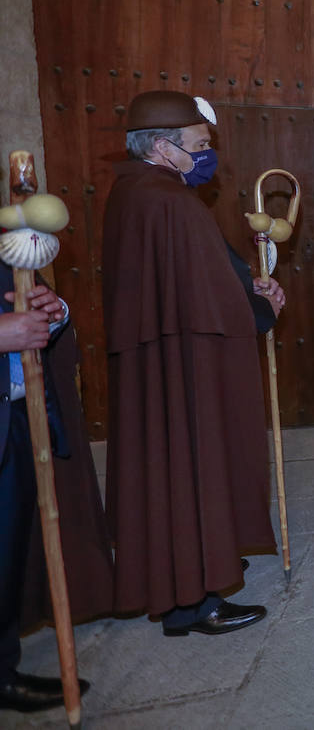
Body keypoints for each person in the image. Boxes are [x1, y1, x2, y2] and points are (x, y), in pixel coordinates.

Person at [102, 91, 286, 636]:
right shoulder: (171, 202)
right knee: (192, 462)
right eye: (200, 146)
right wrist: (262, 305)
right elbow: (209, 299)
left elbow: (194, 278)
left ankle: (198, 563)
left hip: (161, 359)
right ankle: (194, 598)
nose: (208, 157)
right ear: (164, 147)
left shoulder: (135, 192)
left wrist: (242, 281)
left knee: (174, 470)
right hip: (185, 364)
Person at [2, 273, 109, 714]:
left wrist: (53, 311)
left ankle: (2, 672)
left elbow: (26, 295)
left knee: (6, 554)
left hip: (13, 418)